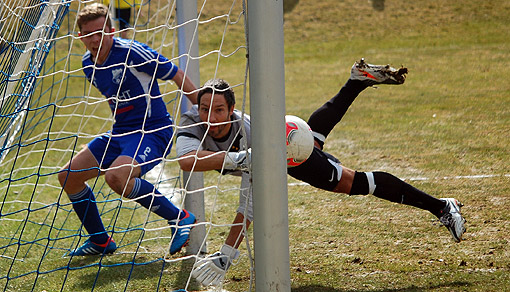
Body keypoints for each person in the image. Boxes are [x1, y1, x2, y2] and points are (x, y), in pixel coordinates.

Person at [175, 59, 467, 286]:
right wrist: (237, 159)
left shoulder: (249, 136)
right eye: (204, 109)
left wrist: (227, 255)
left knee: (352, 182)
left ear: (233, 110)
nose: (210, 118)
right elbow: (187, 161)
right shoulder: (191, 122)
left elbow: (249, 203)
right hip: (281, 139)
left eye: (219, 111)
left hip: (285, 154)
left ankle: (442, 206)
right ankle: (355, 82)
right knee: (312, 139)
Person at [58, 3, 198, 256]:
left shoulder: (132, 53)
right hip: (121, 132)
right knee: (69, 177)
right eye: (89, 34)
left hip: (153, 131)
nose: (95, 39)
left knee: (116, 177)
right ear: (80, 37)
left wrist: (203, 113)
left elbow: (175, 73)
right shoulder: (88, 65)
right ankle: (101, 241)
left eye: (101, 32)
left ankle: (179, 217)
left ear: (112, 30)